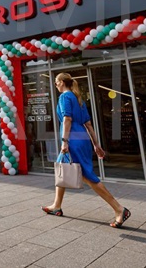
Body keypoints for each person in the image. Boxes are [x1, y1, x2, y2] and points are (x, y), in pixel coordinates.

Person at [41, 72, 131, 228]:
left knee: (87, 176)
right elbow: (88, 124)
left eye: (56, 82)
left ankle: (119, 209)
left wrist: (64, 141)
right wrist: (96, 145)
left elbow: (67, 119)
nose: (56, 85)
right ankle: (56, 205)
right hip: (81, 138)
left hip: (72, 140)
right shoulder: (78, 99)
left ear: (62, 82)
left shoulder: (64, 97)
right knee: (62, 168)